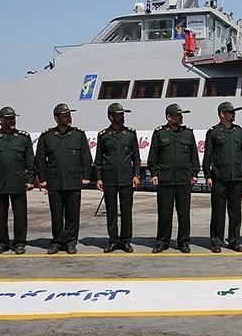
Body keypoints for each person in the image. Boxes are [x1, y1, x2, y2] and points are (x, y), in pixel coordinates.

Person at [35, 103, 92, 255]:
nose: (68, 118)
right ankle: (57, 242)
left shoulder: (78, 135)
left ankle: (71, 242)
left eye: (69, 115)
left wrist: (86, 176)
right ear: (56, 118)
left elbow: (86, 158)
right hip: (54, 182)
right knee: (56, 214)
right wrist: (43, 179)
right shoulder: (47, 136)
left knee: (73, 215)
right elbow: (40, 159)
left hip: (73, 181)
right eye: (65, 116)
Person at [0, 106, 35, 255]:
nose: (12, 121)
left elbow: (30, 160)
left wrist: (30, 179)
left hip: (18, 181)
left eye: (13, 118)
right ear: (0, 120)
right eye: (8, 119)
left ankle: (19, 243)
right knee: (0, 215)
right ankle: (2, 243)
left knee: (20, 215)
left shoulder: (23, 138)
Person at [148, 103, 200, 253]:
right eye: (177, 115)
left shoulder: (188, 134)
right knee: (164, 213)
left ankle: (183, 241)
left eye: (181, 115)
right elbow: (153, 156)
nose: (180, 117)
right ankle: (162, 242)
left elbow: (194, 156)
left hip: (184, 179)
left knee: (184, 214)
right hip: (165, 179)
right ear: (168, 117)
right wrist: (154, 174)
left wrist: (195, 173)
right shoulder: (159, 133)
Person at [95, 103, 141, 254]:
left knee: (126, 211)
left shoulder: (130, 134)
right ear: (111, 117)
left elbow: (136, 157)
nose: (122, 117)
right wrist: (99, 178)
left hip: (127, 178)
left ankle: (125, 240)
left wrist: (136, 175)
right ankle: (113, 240)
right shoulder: (103, 136)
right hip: (109, 179)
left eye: (123, 115)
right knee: (111, 210)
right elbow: (98, 160)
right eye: (119, 115)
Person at [202, 101, 242, 253]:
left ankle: (234, 241)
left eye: (234, 112)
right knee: (218, 212)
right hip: (219, 178)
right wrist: (207, 175)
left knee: (235, 212)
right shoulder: (213, 132)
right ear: (222, 114)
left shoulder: (239, 131)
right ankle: (216, 241)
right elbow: (208, 156)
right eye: (230, 112)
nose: (233, 114)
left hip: (235, 178)